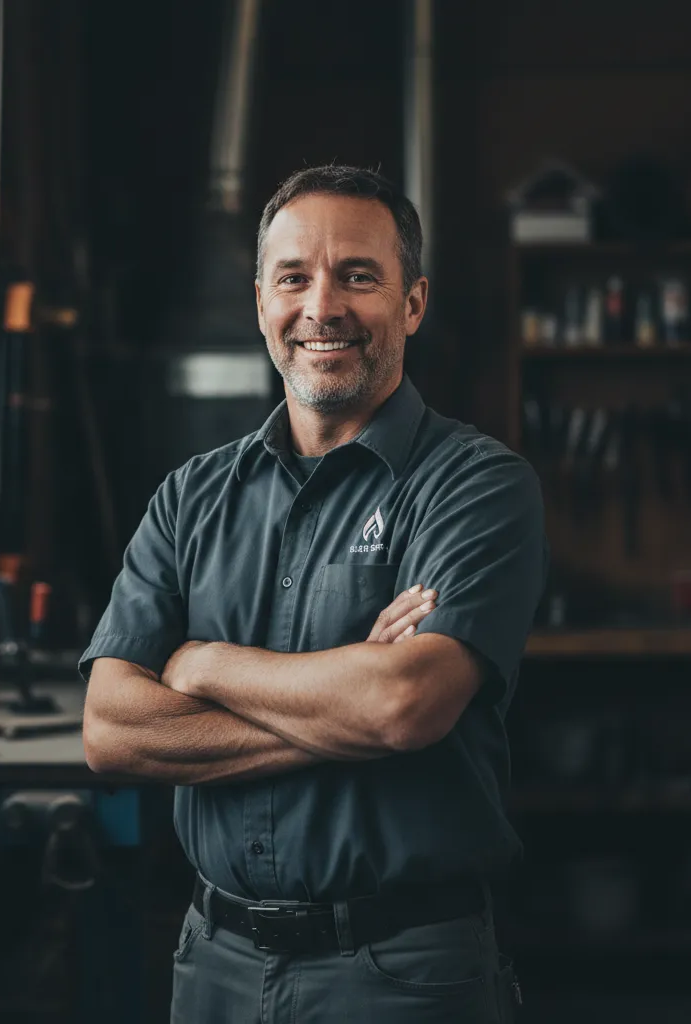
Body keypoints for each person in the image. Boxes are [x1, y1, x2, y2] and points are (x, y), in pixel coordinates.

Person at [80, 165, 547, 1023]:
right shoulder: (191, 497)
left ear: (412, 304)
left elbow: (404, 705)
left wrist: (201, 662)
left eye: (358, 276)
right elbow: (111, 731)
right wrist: (345, 704)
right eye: (294, 277)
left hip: (402, 973)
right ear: (261, 301)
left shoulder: (477, 486)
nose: (322, 306)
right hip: (211, 962)